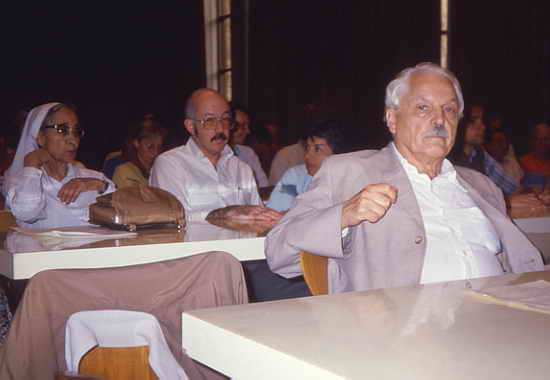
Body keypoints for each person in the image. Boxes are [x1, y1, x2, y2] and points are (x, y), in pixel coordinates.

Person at [265, 62, 543, 294]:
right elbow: (278, 251)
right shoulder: (348, 171)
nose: (439, 120)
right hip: (401, 334)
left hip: (496, 321)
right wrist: (343, 216)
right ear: (392, 119)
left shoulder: (482, 185)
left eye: (449, 110)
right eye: (423, 108)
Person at [150, 89, 282, 224]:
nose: (220, 129)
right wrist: (223, 214)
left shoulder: (241, 169)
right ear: (190, 126)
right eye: (210, 120)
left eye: (225, 119)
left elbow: (258, 218)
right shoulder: (170, 165)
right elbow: (174, 220)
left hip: (241, 244)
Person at [3, 103, 115, 228]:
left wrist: (99, 185)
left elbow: (125, 211)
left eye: (76, 131)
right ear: (40, 137)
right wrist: (32, 163)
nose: (73, 140)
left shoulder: (92, 177)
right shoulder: (22, 181)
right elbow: (26, 214)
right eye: (62, 130)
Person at [267, 119, 344, 212]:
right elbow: (274, 213)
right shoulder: (294, 177)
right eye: (307, 148)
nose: (307, 156)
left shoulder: (349, 180)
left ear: (338, 155)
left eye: (317, 149)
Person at [449, 116, 518, 195]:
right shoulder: (445, 159)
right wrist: (507, 202)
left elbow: (510, 186)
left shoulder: (479, 153)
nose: (482, 127)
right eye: (472, 121)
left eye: (482, 122)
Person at [112, 120, 167, 188]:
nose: (156, 152)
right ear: (136, 143)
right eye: (150, 147)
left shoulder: (163, 169)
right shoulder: (123, 171)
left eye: (159, 147)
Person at [229, 105, 269, 188]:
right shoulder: (213, 156)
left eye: (247, 126)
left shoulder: (248, 153)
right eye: (242, 126)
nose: (248, 131)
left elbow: (263, 186)